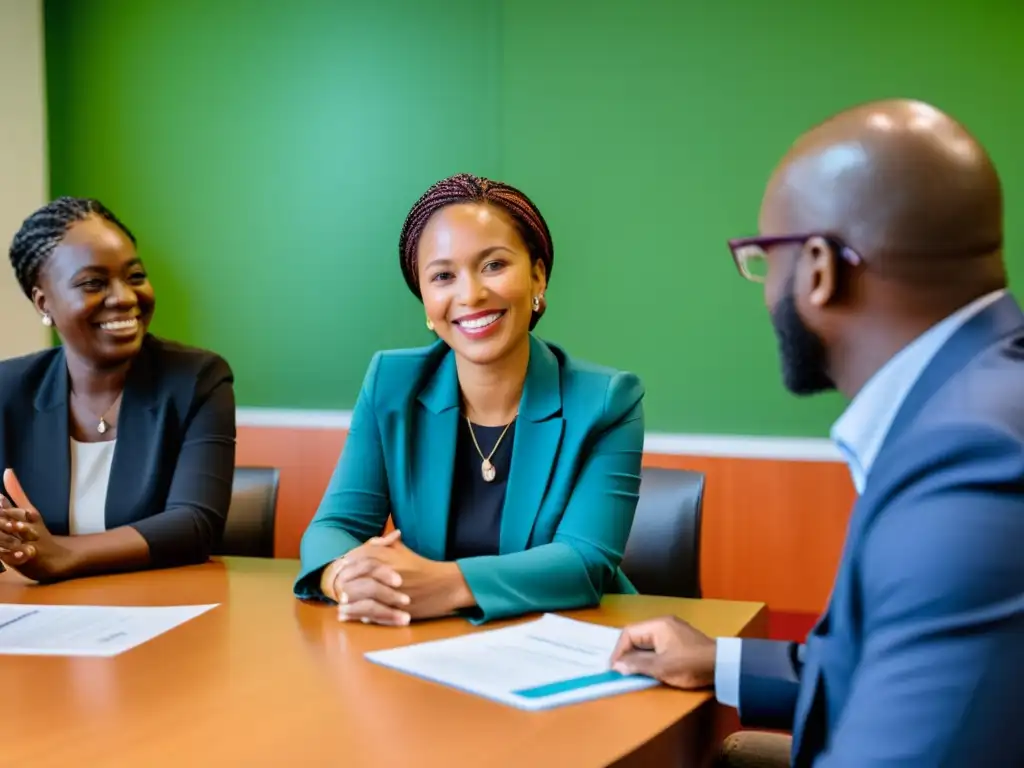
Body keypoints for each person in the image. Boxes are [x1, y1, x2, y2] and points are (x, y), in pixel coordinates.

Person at [610, 99, 1024, 766]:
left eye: (764, 259)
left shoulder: (974, 465)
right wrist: (721, 660)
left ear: (819, 269)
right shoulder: (979, 397)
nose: (767, 288)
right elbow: (894, 655)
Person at [294, 173, 645, 625]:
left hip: (570, 639)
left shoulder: (606, 400)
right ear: (424, 299)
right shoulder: (392, 383)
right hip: (426, 645)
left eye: (494, 265)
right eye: (443, 276)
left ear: (538, 276)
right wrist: (344, 578)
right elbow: (333, 528)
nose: (471, 294)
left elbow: (583, 562)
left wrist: (444, 585)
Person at [0, 196, 236, 583]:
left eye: (135, 276)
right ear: (44, 302)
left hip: (161, 609)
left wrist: (63, 555)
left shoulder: (196, 378)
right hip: (37, 614)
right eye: (93, 283)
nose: (125, 297)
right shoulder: (8, 390)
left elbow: (195, 524)